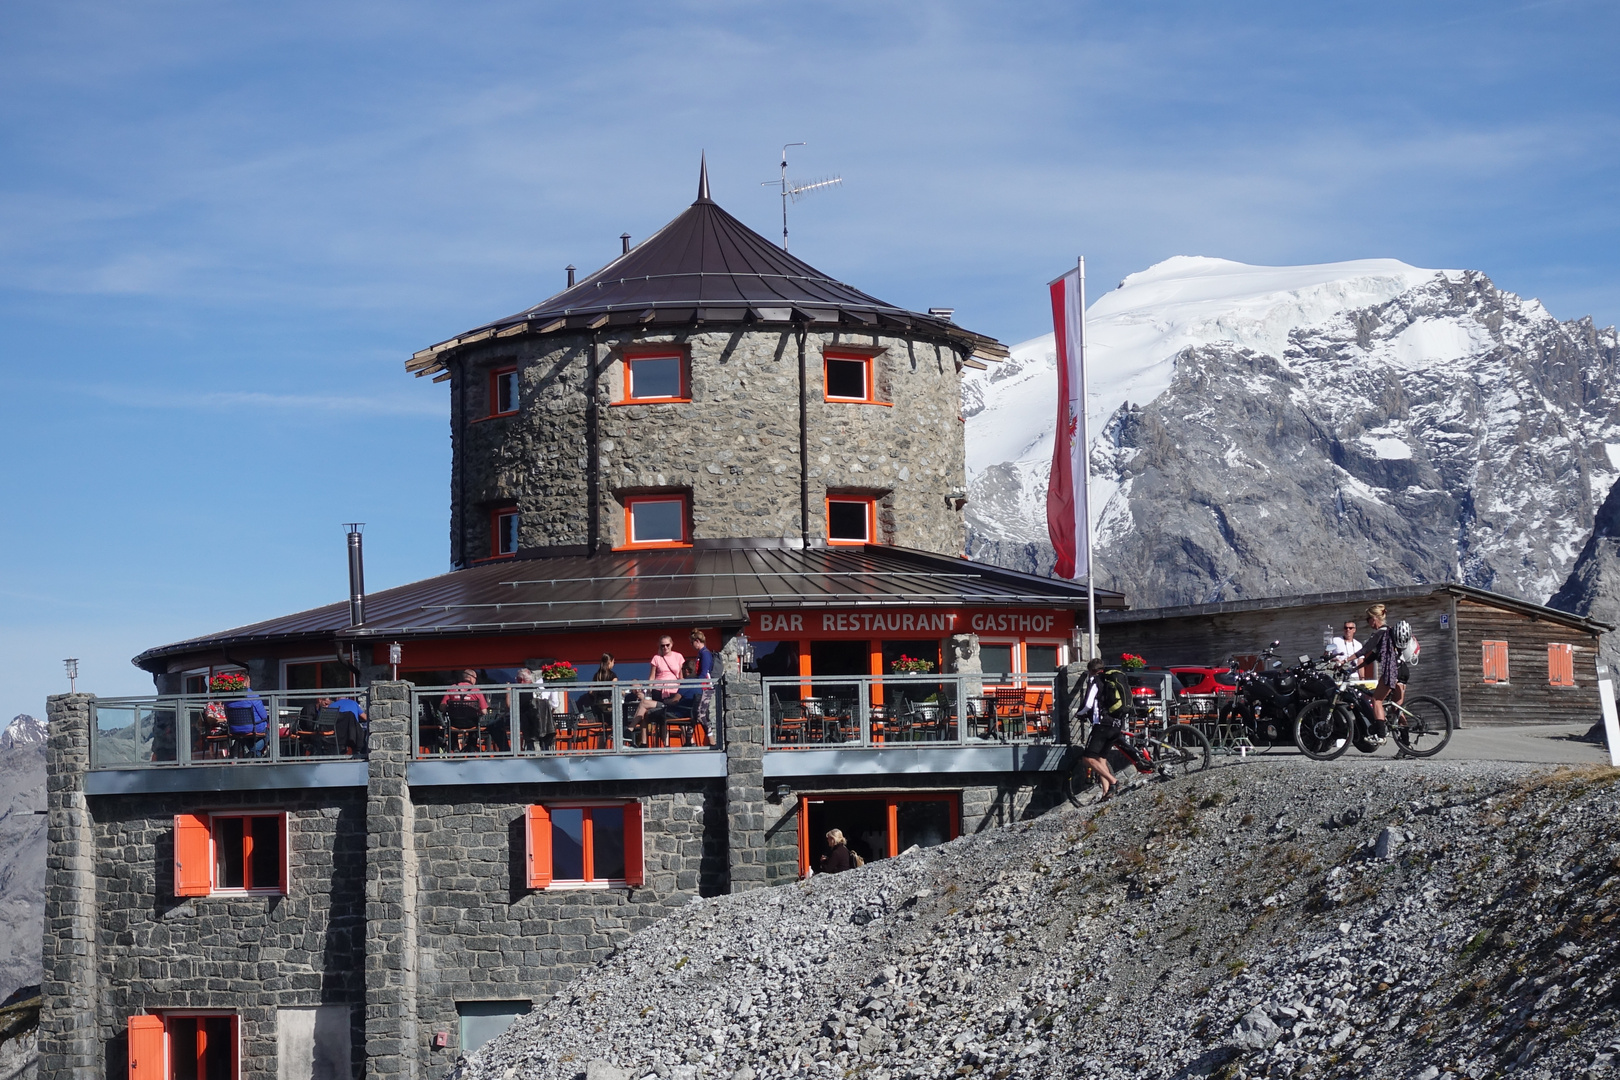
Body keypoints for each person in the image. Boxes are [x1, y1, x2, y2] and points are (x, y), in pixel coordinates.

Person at [1076, 658, 1163, 800]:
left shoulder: (1097, 681)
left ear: (1092, 671)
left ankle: (1114, 782)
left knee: (1088, 758)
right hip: (1117, 724)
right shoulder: (1114, 679)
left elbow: (1088, 704)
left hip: (1103, 725)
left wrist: (1078, 713)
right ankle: (1106, 794)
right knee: (1101, 759)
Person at [1342, 604, 1401, 739]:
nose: (1367, 622)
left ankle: (1380, 735)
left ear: (1374, 618)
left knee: (1376, 700)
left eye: (1368, 619)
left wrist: (1344, 661)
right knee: (1397, 708)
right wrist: (1355, 669)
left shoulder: (1380, 633)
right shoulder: (1389, 631)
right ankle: (1406, 742)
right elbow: (1372, 657)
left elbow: (1364, 650)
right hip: (1401, 670)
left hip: (1391, 671)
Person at [633, 635, 686, 724]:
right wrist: (649, 691)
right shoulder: (656, 658)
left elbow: (681, 676)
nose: (665, 647)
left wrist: (683, 690)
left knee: (674, 715)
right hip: (658, 690)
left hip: (674, 690)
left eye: (667, 645)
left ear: (672, 644)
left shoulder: (678, 656)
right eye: (662, 645)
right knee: (658, 717)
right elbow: (652, 677)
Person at [223, 676, 269, 757]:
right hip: (253, 727)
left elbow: (227, 714)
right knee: (268, 733)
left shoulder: (228, 697)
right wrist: (265, 721)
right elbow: (263, 715)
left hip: (235, 728)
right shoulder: (253, 696)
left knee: (248, 737)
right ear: (247, 682)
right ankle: (252, 753)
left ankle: (253, 755)